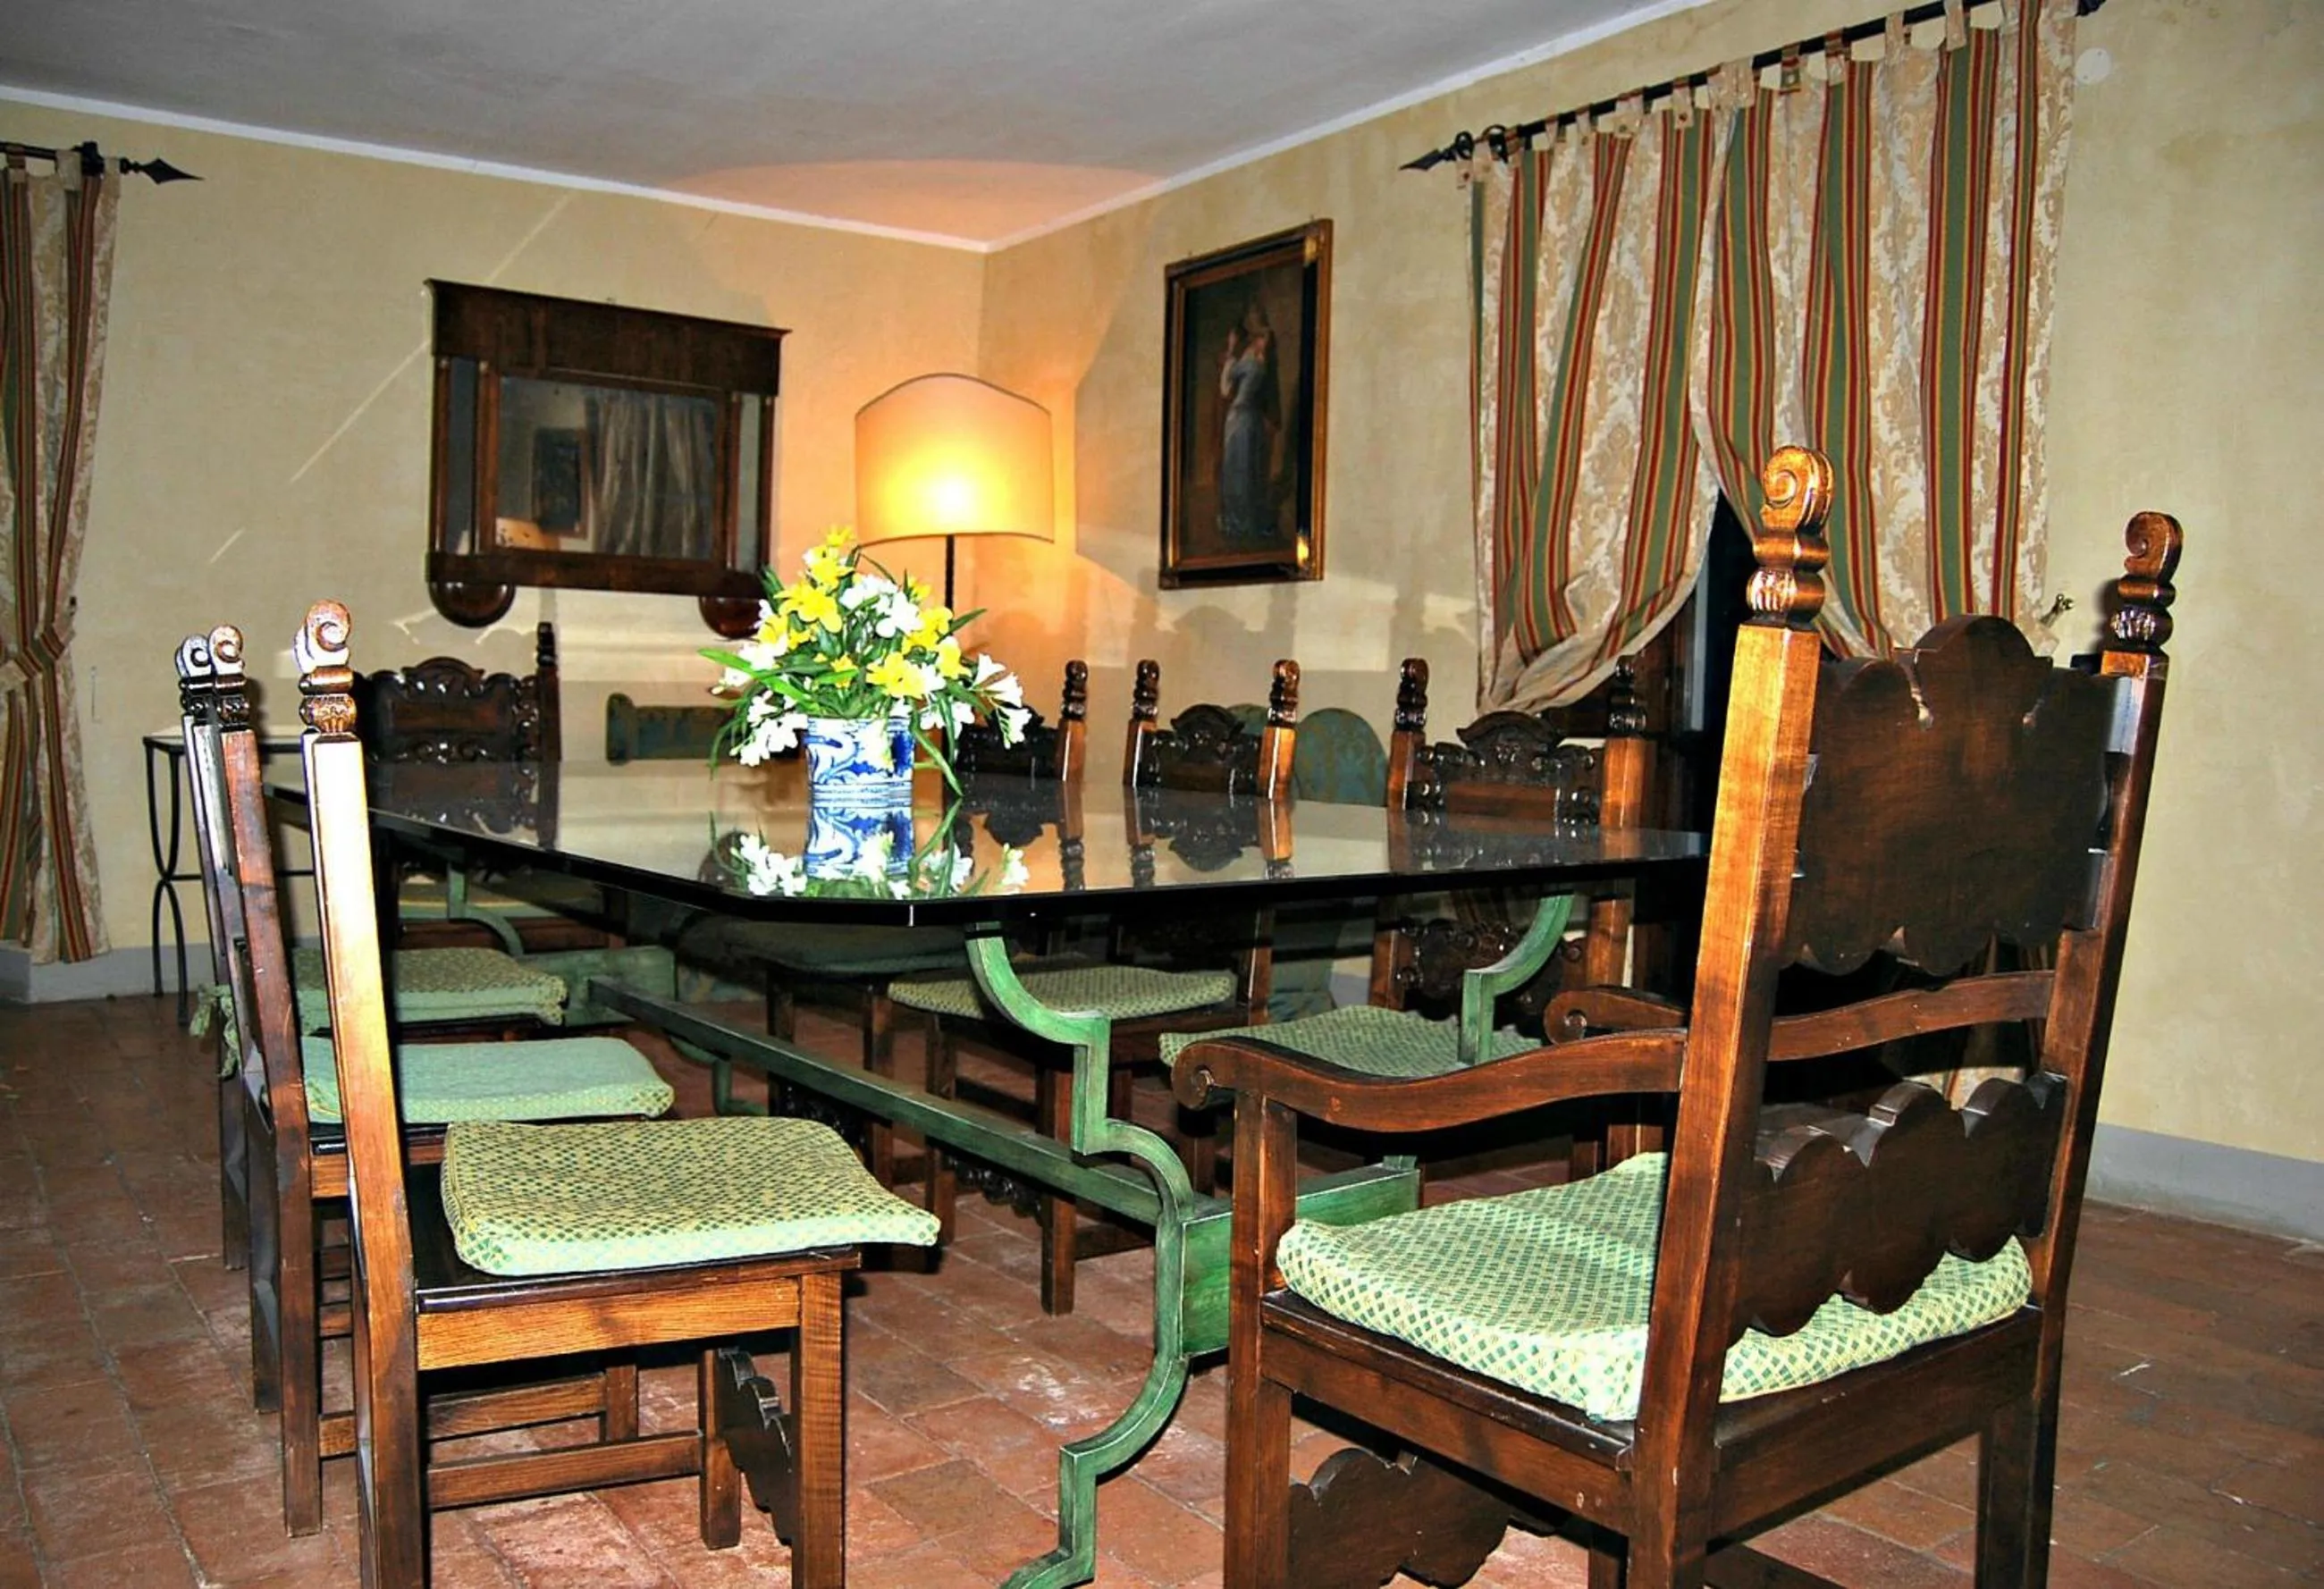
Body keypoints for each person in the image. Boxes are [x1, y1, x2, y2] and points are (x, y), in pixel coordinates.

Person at [1215, 299, 1279, 543]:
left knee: (1238, 468)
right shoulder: (1262, 355)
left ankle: (1238, 520)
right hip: (1250, 417)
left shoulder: (1250, 355)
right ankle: (1245, 519)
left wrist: (1231, 351)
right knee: (1246, 467)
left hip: (1240, 417)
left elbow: (1224, 388)